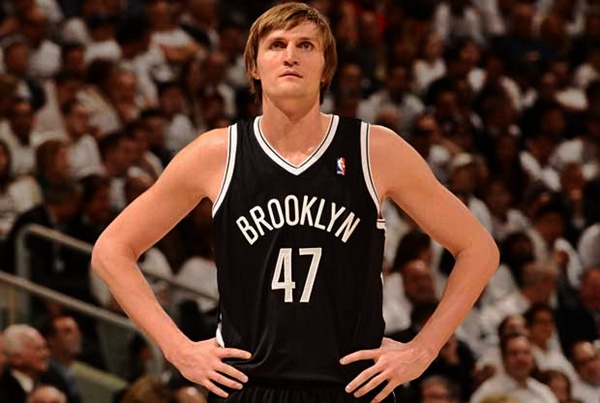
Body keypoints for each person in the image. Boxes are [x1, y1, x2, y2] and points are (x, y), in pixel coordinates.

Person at [91, 3, 499, 402]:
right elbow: (111, 250)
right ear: (253, 66)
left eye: (306, 45)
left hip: (352, 387)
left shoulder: (374, 149)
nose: (291, 56)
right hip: (248, 385)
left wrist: (422, 350)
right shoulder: (217, 153)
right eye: (276, 45)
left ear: (326, 66)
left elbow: (478, 249)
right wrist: (177, 348)